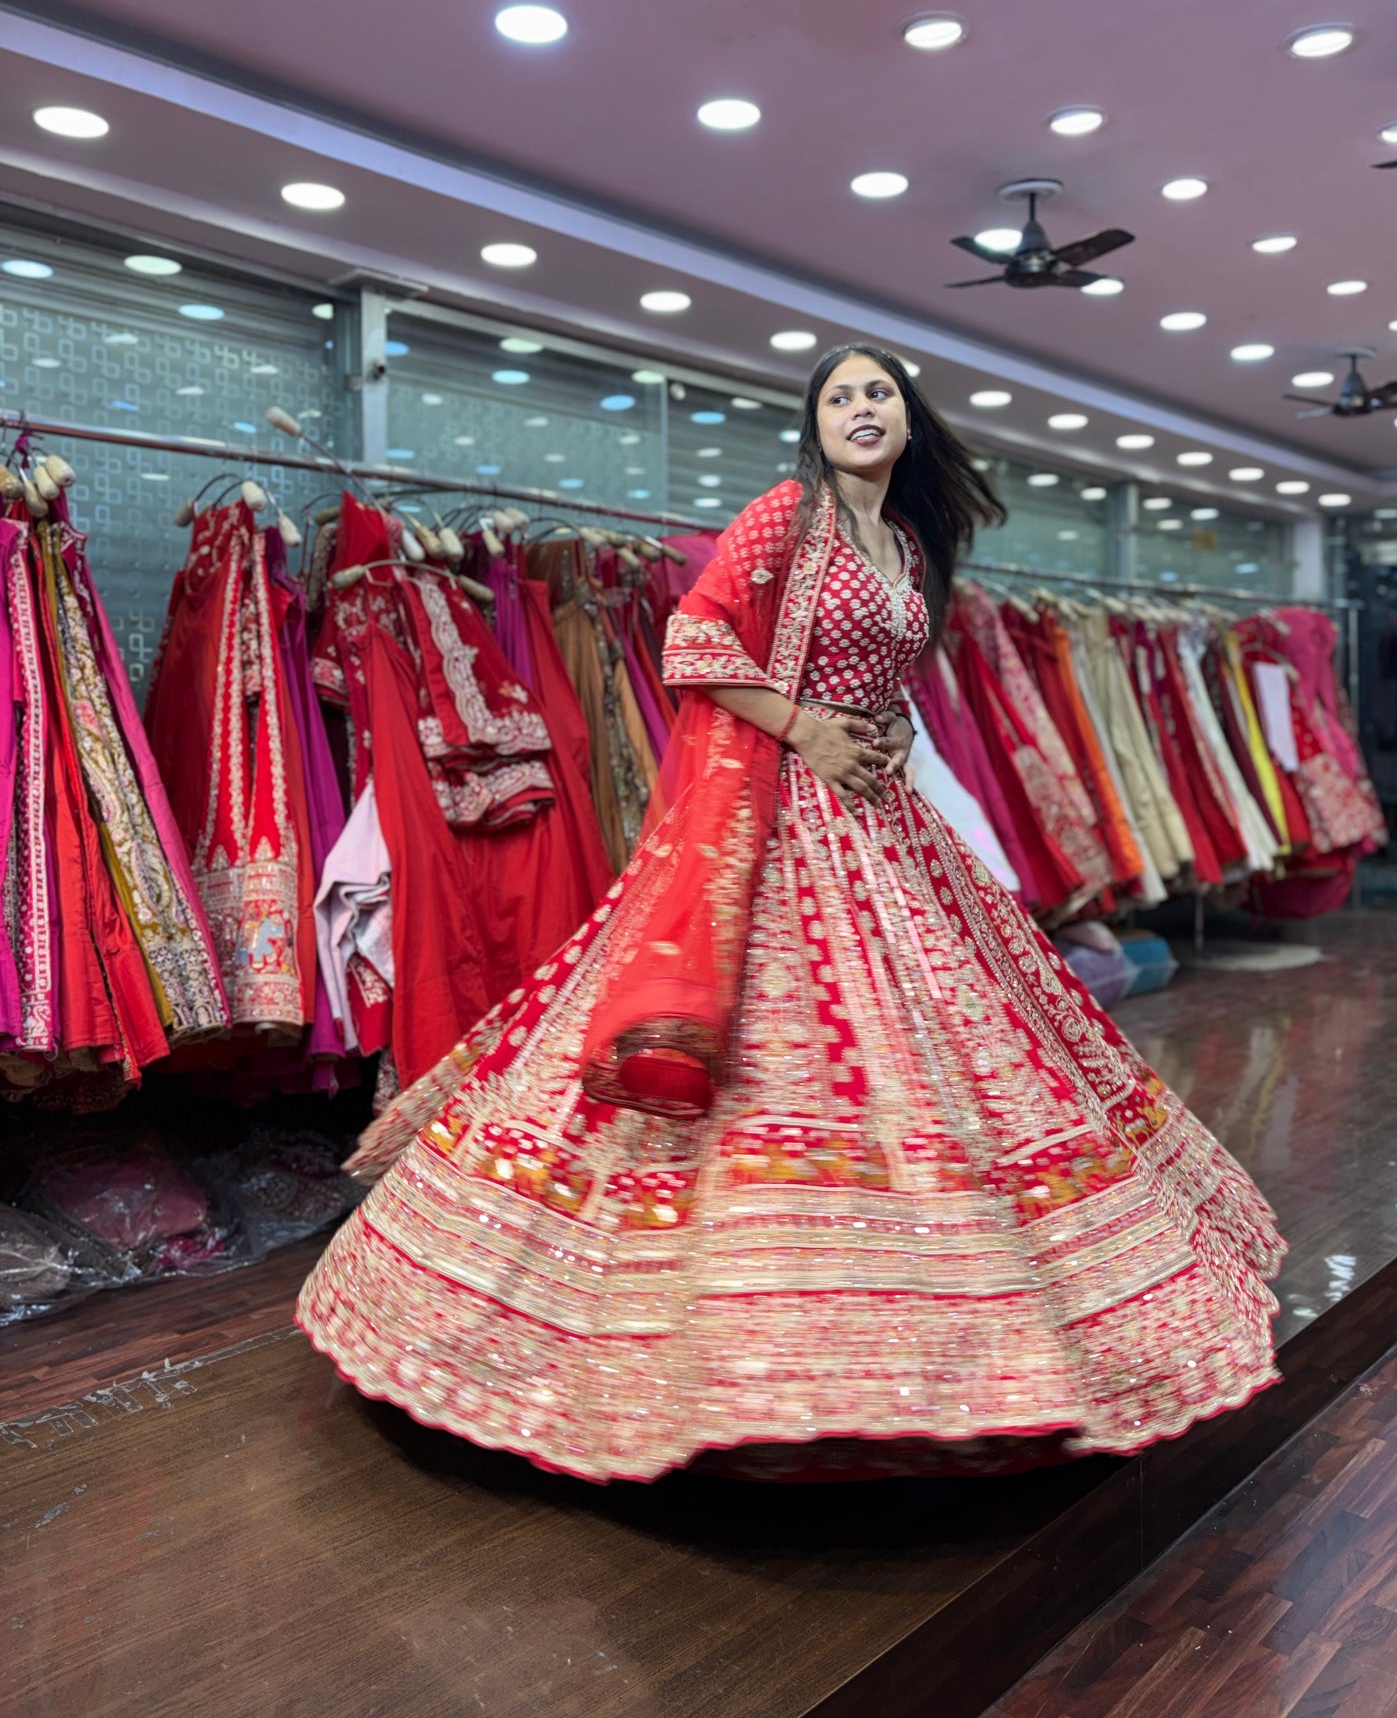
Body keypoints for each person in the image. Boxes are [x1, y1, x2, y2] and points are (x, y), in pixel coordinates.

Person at [298, 344, 1284, 1484]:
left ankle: (965, 1330)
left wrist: (891, 727)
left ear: (907, 423)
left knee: (955, 1038)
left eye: (877, 395)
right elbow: (693, 637)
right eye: (836, 397)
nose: (859, 410)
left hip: (886, 813)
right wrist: (807, 728)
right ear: (811, 427)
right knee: (790, 1036)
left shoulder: (907, 543)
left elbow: (885, 668)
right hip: (786, 811)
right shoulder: (784, 515)